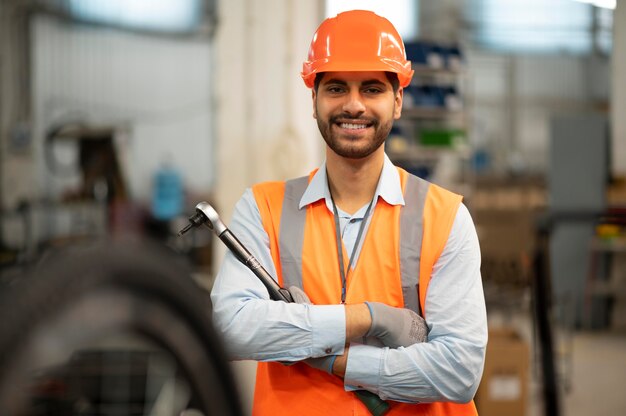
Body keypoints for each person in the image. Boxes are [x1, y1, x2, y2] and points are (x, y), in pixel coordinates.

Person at [211, 9, 487, 416]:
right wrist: (362, 319)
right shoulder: (263, 208)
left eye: (372, 89)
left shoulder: (444, 218)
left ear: (397, 101)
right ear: (315, 100)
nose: (354, 105)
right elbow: (230, 329)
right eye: (337, 88)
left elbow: (460, 371)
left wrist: (337, 360)